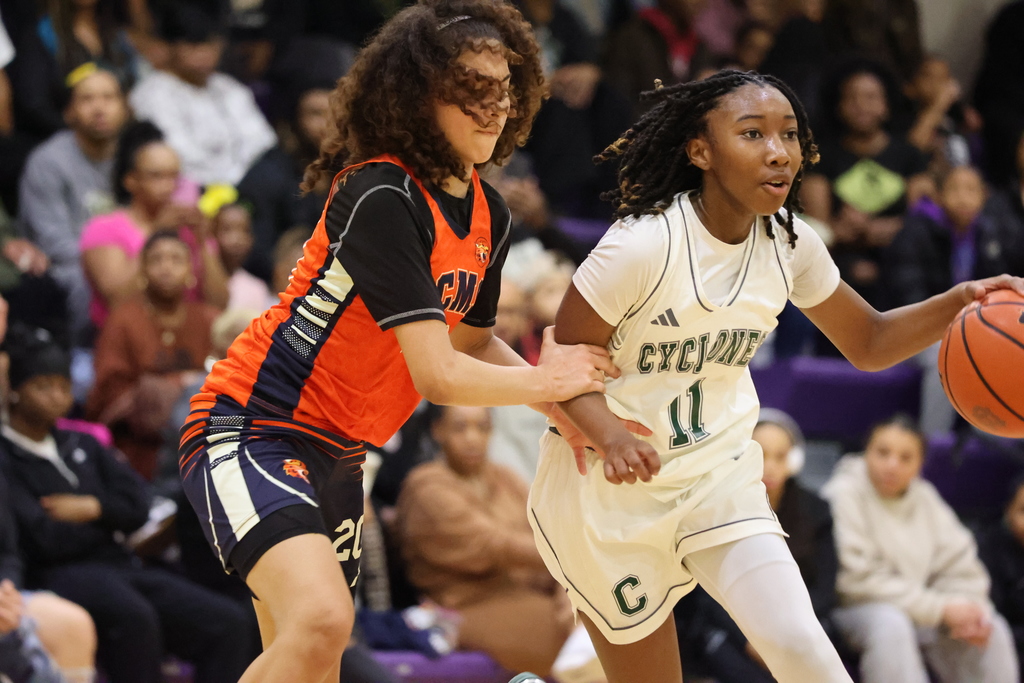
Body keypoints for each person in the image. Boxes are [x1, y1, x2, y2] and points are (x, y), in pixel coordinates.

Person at [525, 69, 1024, 683]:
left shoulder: (791, 242)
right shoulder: (642, 247)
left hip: (716, 477)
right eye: (753, 133)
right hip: (608, 494)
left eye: (788, 134)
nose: (778, 151)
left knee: (804, 651)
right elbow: (560, 365)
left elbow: (867, 342)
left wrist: (958, 302)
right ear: (700, 150)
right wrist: (613, 435)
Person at [176, 3, 616, 682]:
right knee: (324, 622)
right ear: (419, 95)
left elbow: (471, 343)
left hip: (342, 452)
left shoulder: (488, 214)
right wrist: (552, 381)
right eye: (471, 87)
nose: (493, 105)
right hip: (254, 425)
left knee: (312, 654)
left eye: (504, 87)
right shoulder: (382, 192)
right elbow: (438, 374)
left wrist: (559, 411)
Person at [0, 331, 252, 683]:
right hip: (59, 573)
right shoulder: (7, 457)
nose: (57, 397)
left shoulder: (84, 443)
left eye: (63, 386)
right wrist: (110, 520)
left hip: (120, 563)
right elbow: (41, 538)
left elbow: (138, 504)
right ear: (15, 390)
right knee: (135, 618)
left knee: (226, 620)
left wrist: (94, 509)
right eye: (43, 386)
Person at [395, 405, 601, 680]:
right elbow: (491, 544)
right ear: (437, 431)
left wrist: (569, 580)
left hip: (530, 590)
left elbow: (546, 528)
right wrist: (570, 552)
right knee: (562, 631)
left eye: (482, 427)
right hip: (466, 605)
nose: (472, 437)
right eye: (460, 427)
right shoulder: (425, 485)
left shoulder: (504, 477)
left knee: (591, 600)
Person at [823, 416, 1019, 683]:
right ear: (866, 451)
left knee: (990, 625)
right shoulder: (842, 494)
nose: (892, 465)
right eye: (883, 453)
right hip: (857, 611)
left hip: (922, 611)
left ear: (920, 464)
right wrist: (939, 609)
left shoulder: (925, 497)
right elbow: (856, 582)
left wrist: (967, 609)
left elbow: (963, 566)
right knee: (890, 624)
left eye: (905, 458)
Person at [800, 59, 932, 313]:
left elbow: (925, 220)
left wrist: (884, 228)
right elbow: (817, 229)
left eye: (871, 97)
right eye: (852, 98)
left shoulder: (909, 156)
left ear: (886, 105)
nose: (861, 105)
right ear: (838, 106)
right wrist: (845, 230)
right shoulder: (821, 157)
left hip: (902, 257)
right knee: (855, 274)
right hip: (842, 260)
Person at [87, 231, 217, 481]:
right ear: (143, 270)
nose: (166, 268)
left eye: (176, 260)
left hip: (201, 434)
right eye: (156, 260)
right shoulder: (123, 319)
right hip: (141, 443)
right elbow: (108, 389)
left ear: (191, 270)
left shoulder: (207, 318)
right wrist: (170, 387)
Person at [79, 121, 228, 329]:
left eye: (174, 176)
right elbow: (118, 299)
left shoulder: (189, 228)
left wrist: (203, 243)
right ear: (131, 180)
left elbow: (219, 304)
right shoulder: (103, 228)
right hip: (125, 345)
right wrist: (156, 232)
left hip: (186, 342)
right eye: (156, 176)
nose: (168, 186)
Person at [17, 65, 127, 337]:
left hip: (130, 258)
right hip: (68, 265)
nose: (99, 108)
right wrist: (110, 266)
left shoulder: (135, 155)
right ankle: (84, 359)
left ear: (125, 108)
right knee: (83, 281)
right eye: (87, 99)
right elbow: (53, 241)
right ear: (69, 112)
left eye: (108, 97)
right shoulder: (48, 161)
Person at [979, 475, 1024, 678]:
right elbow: (989, 622)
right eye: (1023, 511)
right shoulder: (988, 549)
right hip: (1007, 648)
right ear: (1009, 510)